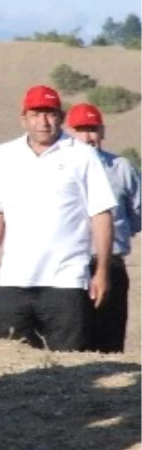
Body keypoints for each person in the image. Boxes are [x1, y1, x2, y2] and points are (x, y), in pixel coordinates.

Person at [0, 86, 116, 352]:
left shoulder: (82, 155)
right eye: (36, 114)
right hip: (14, 280)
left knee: (67, 367)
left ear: (61, 117)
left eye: (50, 114)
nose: (43, 122)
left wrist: (101, 272)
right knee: (2, 359)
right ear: (24, 119)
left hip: (66, 281)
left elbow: (100, 215)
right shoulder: (4, 155)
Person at [65, 102, 141, 352]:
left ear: (102, 132)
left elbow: (137, 212)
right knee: (73, 337)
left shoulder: (121, 167)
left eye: (93, 129)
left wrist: (116, 236)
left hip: (111, 263)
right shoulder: (61, 168)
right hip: (70, 263)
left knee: (110, 336)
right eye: (81, 129)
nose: (88, 136)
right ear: (69, 132)